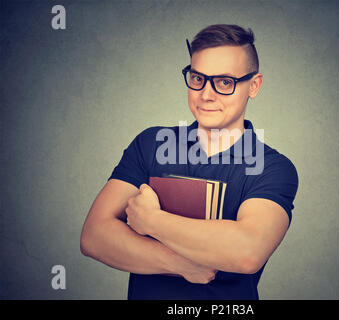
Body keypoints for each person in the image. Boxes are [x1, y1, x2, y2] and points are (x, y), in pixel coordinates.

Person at [80, 24, 299, 300]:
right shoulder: (151, 144)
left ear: (253, 86)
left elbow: (247, 252)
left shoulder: (273, 168)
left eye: (224, 82)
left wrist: (151, 220)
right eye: (197, 78)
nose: (206, 94)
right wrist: (181, 264)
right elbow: (94, 237)